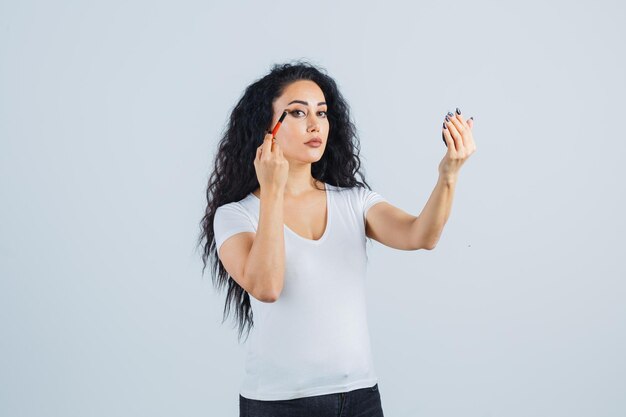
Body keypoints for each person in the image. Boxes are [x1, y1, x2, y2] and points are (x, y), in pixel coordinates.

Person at [197, 60, 476, 416]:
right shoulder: (236, 215)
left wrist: (448, 173)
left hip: (359, 397)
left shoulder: (354, 201)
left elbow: (421, 235)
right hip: (279, 404)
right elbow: (266, 286)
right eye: (297, 113)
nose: (315, 124)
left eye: (322, 112)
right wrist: (271, 190)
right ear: (265, 129)